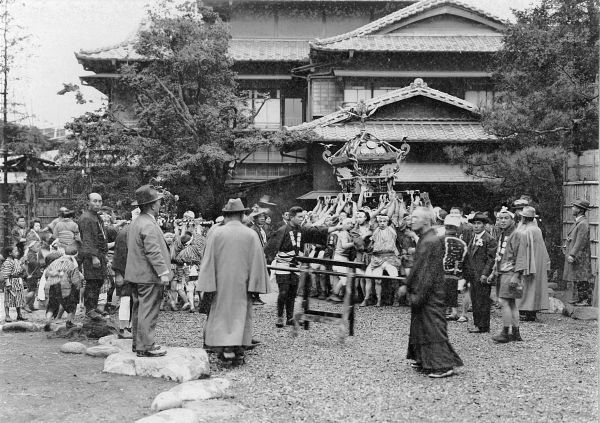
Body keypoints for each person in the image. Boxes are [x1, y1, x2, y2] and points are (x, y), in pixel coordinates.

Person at [197, 198, 271, 364]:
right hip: (242, 283)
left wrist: (207, 284)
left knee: (220, 314)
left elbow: (207, 260)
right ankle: (237, 348)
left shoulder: (216, 233)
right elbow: (258, 262)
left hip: (220, 282)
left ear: (226, 215)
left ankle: (223, 348)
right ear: (242, 214)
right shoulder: (251, 234)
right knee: (241, 315)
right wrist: (255, 286)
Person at [400, 207, 463, 378]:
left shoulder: (430, 241)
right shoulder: (425, 239)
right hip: (423, 288)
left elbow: (427, 271)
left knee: (433, 326)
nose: (411, 220)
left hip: (430, 291)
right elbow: (417, 266)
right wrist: (407, 284)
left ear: (426, 221)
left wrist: (417, 294)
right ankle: (423, 358)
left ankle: (444, 365)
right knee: (420, 325)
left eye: (415, 217)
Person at [265, 206, 341, 327]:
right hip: (283, 264)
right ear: (292, 217)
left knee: (292, 292)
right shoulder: (282, 230)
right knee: (283, 292)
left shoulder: (302, 229)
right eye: (299, 217)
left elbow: (316, 231)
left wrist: (337, 227)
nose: (302, 219)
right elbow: (269, 248)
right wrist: (268, 261)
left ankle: (290, 318)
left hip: (296, 264)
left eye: (303, 217)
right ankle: (280, 317)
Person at [125, 185, 173, 357]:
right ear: (153, 205)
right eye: (159, 202)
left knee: (138, 309)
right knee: (148, 310)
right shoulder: (149, 224)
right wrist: (163, 272)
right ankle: (146, 346)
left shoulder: (137, 222)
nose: (160, 205)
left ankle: (138, 344)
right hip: (149, 275)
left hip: (137, 274)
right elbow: (152, 251)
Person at [465, 212, 497, 333]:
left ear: (484, 225)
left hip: (482, 274)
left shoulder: (489, 239)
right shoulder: (473, 237)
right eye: (474, 224)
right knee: (475, 299)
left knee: (482, 300)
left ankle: (483, 325)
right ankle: (477, 323)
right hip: (473, 273)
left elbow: (491, 259)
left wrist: (485, 273)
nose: (476, 226)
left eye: (479, 224)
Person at [516, 206, 550, 322]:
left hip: (529, 261)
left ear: (524, 218)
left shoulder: (526, 231)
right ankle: (532, 312)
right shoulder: (537, 229)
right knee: (535, 286)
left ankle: (525, 310)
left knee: (527, 285)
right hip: (538, 261)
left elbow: (524, 248)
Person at [111, 205, 140, 339]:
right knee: (126, 299)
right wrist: (118, 274)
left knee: (131, 300)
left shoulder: (135, 231)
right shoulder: (125, 233)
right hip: (125, 271)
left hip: (133, 271)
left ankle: (128, 327)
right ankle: (123, 328)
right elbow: (119, 255)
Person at [78, 193, 109, 320]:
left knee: (99, 280)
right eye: (95, 201)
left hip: (100, 255)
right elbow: (87, 239)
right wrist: (93, 257)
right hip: (92, 256)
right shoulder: (86, 218)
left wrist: (103, 255)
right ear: (88, 203)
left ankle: (94, 307)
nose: (98, 204)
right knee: (92, 281)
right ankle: (90, 309)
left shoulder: (96, 217)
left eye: (100, 201)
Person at [43, 245, 83, 331]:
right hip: (65, 287)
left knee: (51, 305)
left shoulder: (54, 262)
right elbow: (76, 280)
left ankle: (47, 321)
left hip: (52, 285)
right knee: (72, 306)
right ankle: (69, 322)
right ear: (75, 255)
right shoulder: (72, 264)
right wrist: (78, 288)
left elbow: (46, 275)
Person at [563, 198, 594, 306]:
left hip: (581, 256)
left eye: (574, 207)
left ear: (580, 210)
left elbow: (580, 241)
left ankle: (585, 300)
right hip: (578, 256)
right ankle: (580, 299)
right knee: (577, 277)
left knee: (582, 277)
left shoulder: (583, 223)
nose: (572, 208)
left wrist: (572, 254)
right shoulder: (578, 222)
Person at [441, 215, 468, 320]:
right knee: (452, 291)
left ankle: (444, 311)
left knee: (443, 291)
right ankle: (454, 311)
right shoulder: (462, 243)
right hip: (457, 270)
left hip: (444, 269)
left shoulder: (442, 240)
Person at [1, 245, 28, 322]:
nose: (17, 252)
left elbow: (21, 269)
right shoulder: (7, 262)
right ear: (10, 253)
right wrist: (8, 284)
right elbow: (6, 275)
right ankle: (7, 315)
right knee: (8, 299)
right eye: (15, 251)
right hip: (10, 282)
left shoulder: (16, 261)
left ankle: (19, 315)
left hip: (18, 282)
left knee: (18, 298)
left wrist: (24, 264)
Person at [249, 208, 270, 305]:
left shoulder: (261, 229)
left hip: (262, 254)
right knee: (255, 276)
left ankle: (257, 296)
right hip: (255, 255)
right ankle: (253, 296)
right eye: (260, 217)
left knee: (259, 276)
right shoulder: (253, 229)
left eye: (263, 217)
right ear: (255, 218)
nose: (262, 219)